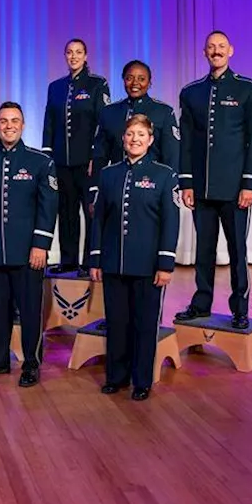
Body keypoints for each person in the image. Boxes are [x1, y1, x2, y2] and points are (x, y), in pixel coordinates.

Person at [173, 31, 252, 330]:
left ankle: (240, 309)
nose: (216, 51)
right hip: (201, 187)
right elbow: (184, 141)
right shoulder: (191, 92)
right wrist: (186, 182)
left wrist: (250, 184)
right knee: (204, 249)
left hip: (235, 189)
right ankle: (201, 305)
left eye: (221, 47)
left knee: (238, 249)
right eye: (211, 47)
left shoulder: (248, 89)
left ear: (231, 51)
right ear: (204, 52)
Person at [88, 114, 180, 401]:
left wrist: (165, 263)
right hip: (114, 262)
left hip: (148, 266)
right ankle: (117, 377)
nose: (135, 139)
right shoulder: (109, 174)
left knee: (144, 324)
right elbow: (99, 219)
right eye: (130, 134)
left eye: (141, 134)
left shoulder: (165, 175)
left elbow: (170, 222)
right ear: (123, 139)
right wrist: (96, 258)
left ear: (150, 140)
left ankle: (142, 380)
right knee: (117, 322)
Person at [0, 102, 59, 388]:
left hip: (28, 253)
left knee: (30, 311)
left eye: (14, 121)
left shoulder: (40, 162)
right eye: (3, 121)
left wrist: (40, 245)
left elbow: (48, 207)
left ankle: (31, 364)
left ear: (23, 125)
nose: (9, 126)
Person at [42, 38, 110, 276]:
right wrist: (48, 156)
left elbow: (104, 123)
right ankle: (69, 260)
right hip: (62, 161)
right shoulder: (56, 87)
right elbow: (49, 123)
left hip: (87, 162)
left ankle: (90, 261)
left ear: (86, 55)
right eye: (69, 52)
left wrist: (96, 156)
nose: (74, 57)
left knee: (90, 211)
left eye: (79, 52)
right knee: (66, 211)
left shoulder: (97, 84)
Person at [92, 60, 179, 168]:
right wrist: (95, 183)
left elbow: (172, 156)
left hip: (152, 180)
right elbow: (100, 155)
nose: (135, 83)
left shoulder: (163, 112)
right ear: (123, 80)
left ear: (149, 83)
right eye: (129, 78)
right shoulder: (109, 112)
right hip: (117, 180)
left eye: (141, 79)